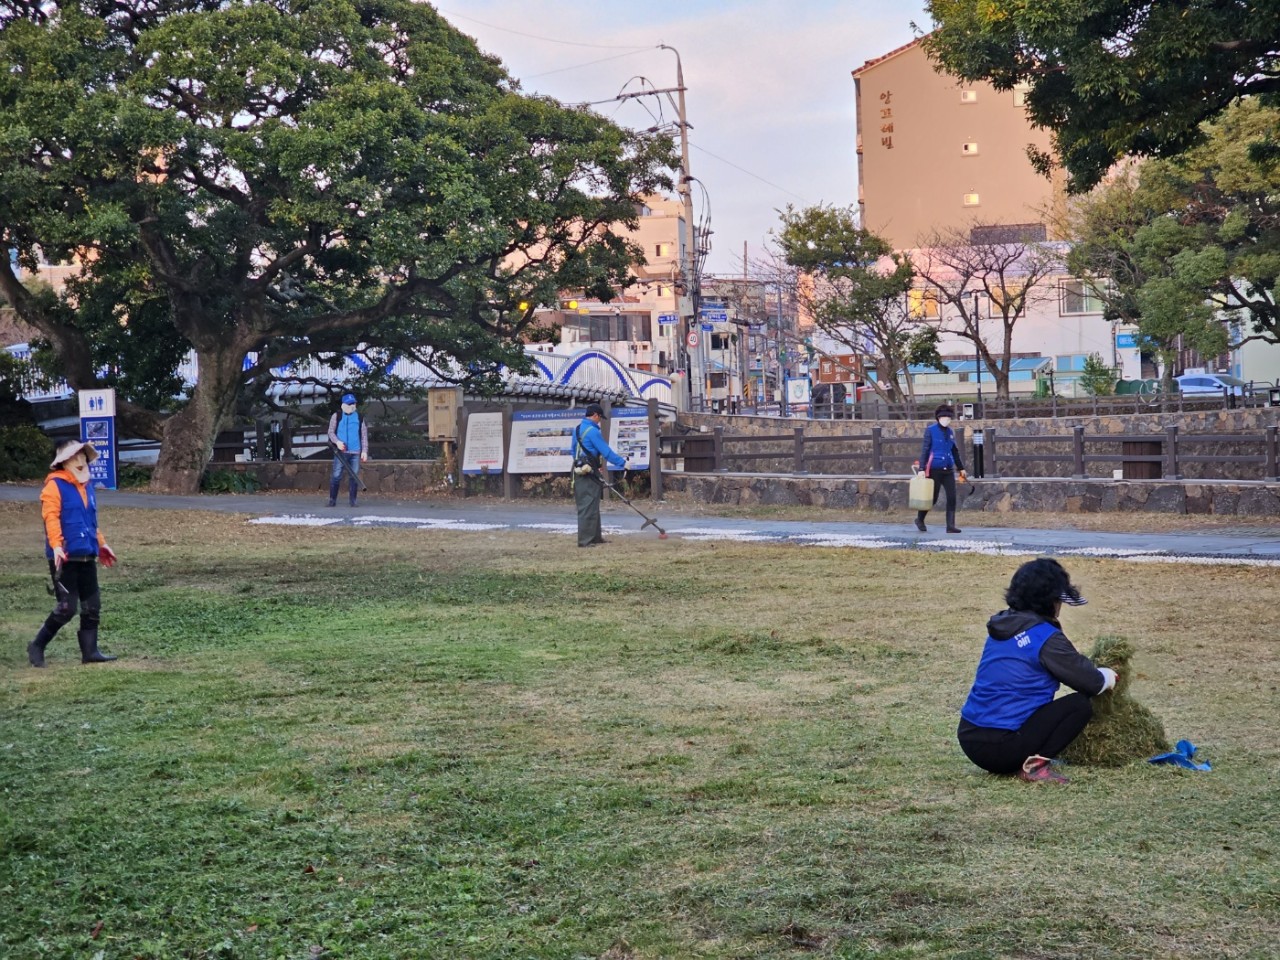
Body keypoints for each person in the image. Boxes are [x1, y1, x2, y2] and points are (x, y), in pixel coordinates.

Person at [957, 558, 1117, 784]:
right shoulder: (1044, 637)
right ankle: (1035, 767)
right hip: (1001, 748)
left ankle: (1025, 758)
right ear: (1049, 601)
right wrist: (1108, 676)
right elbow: (1091, 683)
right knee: (1079, 705)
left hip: (970, 738)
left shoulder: (1002, 625)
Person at [28, 440, 118, 667]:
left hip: (87, 555)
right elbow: (51, 518)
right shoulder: (54, 486)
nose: (81, 461)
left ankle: (90, 652)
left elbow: (90, 521)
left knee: (92, 605)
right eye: (75, 456)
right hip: (65, 557)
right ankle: (37, 645)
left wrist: (101, 544)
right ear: (63, 462)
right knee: (67, 607)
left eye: (83, 456)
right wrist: (57, 546)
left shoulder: (87, 486)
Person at [572, 402, 627, 548]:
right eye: (599, 418)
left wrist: (579, 464)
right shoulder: (593, 431)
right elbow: (606, 452)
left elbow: (573, 451)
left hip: (580, 469)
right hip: (589, 471)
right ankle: (585, 541)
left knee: (592, 504)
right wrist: (623, 463)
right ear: (595, 415)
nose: (600, 421)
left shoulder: (577, 429)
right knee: (588, 506)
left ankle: (595, 538)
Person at [913, 403, 968, 533]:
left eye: (948, 418)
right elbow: (925, 450)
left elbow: (954, 451)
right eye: (943, 417)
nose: (946, 420)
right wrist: (921, 468)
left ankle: (950, 526)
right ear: (938, 418)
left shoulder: (950, 432)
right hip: (934, 469)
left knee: (952, 497)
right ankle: (920, 519)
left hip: (948, 469)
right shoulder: (931, 430)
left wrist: (961, 468)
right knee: (932, 498)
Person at [327, 392, 368, 507]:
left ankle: (353, 501)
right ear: (343, 404)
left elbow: (364, 435)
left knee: (354, 476)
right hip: (340, 452)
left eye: (353, 403)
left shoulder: (360, 418)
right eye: (349, 404)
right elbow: (330, 432)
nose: (352, 406)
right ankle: (332, 500)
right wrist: (337, 442)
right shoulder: (336, 416)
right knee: (336, 476)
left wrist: (364, 451)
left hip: (355, 452)